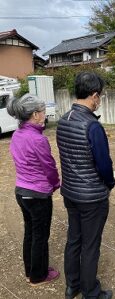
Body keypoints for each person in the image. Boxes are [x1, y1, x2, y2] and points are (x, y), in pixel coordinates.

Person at [56, 72, 115, 299]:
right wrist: (109, 184)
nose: (99, 100)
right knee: (90, 246)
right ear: (94, 95)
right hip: (92, 197)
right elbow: (104, 165)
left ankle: (73, 286)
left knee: (74, 239)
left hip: (70, 193)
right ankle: (91, 293)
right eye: (99, 96)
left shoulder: (63, 120)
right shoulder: (92, 126)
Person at [7, 94, 60, 286]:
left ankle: (30, 271)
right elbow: (49, 167)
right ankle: (38, 276)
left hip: (21, 191)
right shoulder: (38, 139)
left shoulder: (17, 134)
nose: (45, 115)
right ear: (36, 114)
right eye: (43, 112)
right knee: (40, 236)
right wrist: (55, 184)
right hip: (37, 195)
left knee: (30, 232)